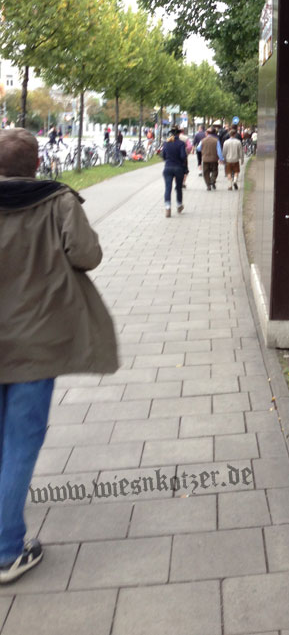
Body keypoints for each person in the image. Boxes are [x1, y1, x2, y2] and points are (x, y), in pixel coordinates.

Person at [0, 128, 118, 584]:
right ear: (36, 163)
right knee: (21, 441)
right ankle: (8, 550)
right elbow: (86, 255)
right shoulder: (57, 200)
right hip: (36, 342)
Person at [161, 128, 187, 216]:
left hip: (168, 167)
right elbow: (183, 156)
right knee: (178, 187)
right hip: (178, 168)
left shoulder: (166, 143)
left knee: (168, 188)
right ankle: (179, 205)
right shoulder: (181, 144)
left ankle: (167, 208)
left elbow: (163, 156)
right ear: (178, 134)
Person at [198, 126, 224, 190]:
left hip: (205, 159)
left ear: (207, 133)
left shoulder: (202, 140)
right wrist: (221, 159)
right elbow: (219, 151)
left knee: (206, 172)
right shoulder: (216, 140)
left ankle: (208, 185)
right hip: (214, 159)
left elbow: (198, 148)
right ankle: (212, 181)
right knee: (215, 171)